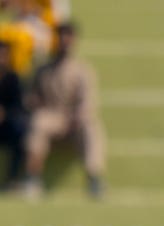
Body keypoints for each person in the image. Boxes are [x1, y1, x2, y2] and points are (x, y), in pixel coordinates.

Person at [21, 21, 106, 199]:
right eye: (61, 36)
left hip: (74, 120)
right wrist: (34, 103)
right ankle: (33, 178)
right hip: (52, 117)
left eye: (68, 37)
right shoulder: (43, 70)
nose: (64, 41)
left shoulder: (82, 70)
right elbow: (30, 98)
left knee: (91, 127)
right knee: (38, 122)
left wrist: (78, 116)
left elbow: (88, 102)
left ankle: (94, 179)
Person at [0, 40, 27, 190]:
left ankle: (12, 178)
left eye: (3, 55)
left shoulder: (13, 78)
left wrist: (5, 113)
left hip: (6, 126)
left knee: (21, 132)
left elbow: (19, 106)